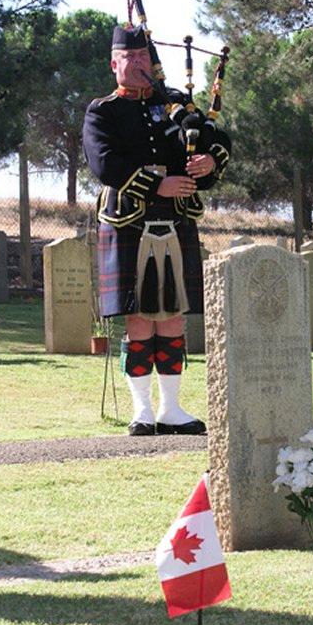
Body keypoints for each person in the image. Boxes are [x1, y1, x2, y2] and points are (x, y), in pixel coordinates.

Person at [83, 24, 231, 436]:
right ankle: (142, 410)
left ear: (153, 61)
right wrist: (156, 186)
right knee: (138, 318)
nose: (137, 64)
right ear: (114, 64)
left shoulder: (176, 104)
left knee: (172, 317)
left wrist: (209, 163)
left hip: (176, 217)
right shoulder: (103, 111)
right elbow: (104, 163)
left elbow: (216, 141)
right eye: (129, 58)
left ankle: (171, 409)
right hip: (128, 221)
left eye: (143, 57)